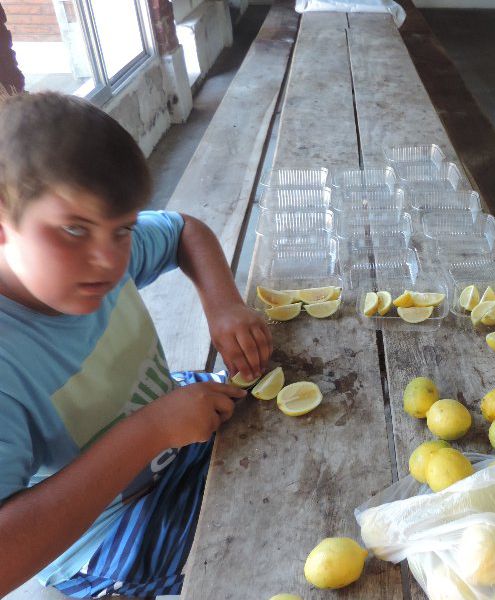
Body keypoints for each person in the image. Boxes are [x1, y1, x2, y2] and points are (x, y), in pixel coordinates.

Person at [0, 92, 272, 597]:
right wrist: (149, 432)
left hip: (168, 424)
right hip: (104, 535)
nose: (107, 261)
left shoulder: (97, 256)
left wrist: (224, 304)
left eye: (122, 230)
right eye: (73, 230)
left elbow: (183, 229)